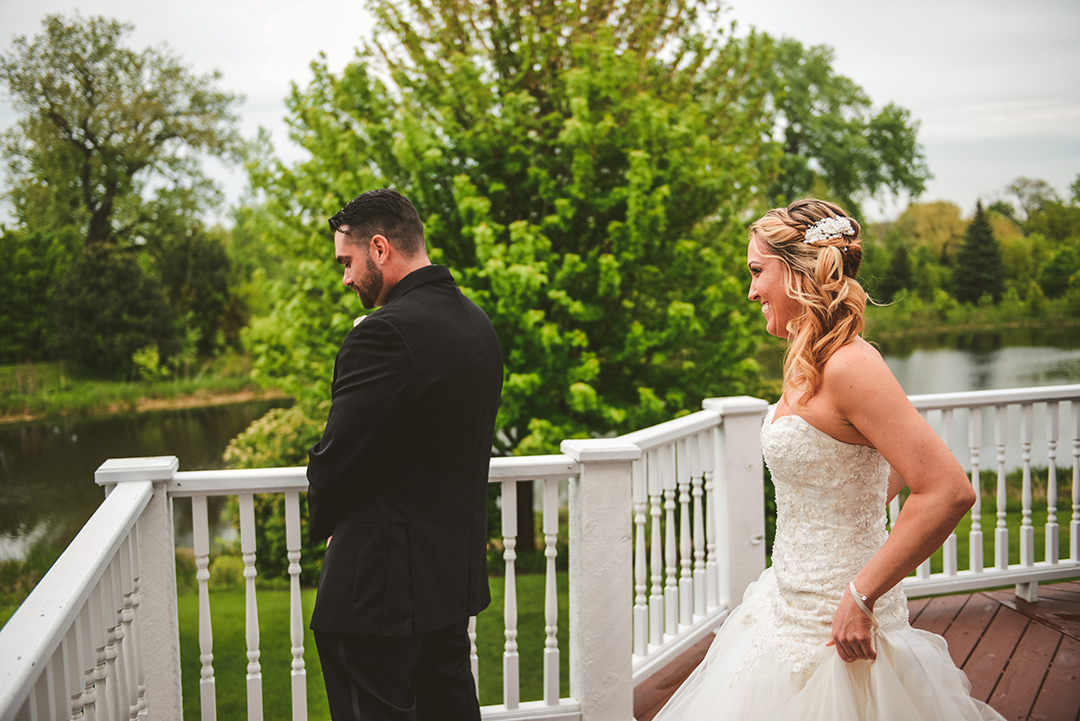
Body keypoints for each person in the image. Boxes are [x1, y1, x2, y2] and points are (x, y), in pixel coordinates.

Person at [652, 199, 1006, 720]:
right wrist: (857, 500)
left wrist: (860, 597)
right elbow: (870, 467)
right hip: (786, 602)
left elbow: (948, 490)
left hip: (840, 628)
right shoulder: (807, 359)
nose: (751, 291)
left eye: (757, 272)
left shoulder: (852, 365)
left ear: (800, 271)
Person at [306, 188, 503, 721]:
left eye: (346, 262)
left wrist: (328, 525)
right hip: (445, 582)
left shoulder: (384, 333)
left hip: (375, 593)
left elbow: (336, 459)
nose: (345, 278)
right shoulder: (477, 324)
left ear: (379, 248)